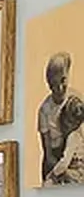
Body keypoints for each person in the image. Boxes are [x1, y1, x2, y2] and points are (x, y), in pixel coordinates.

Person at [38, 52, 80, 183]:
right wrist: (53, 166)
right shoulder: (44, 109)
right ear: (49, 84)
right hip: (54, 153)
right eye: (54, 84)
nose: (60, 88)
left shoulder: (76, 99)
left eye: (63, 80)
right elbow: (46, 147)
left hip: (73, 152)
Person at [49, 94, 84, 185]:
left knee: (61, 175)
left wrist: (52, 175)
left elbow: (64, 163)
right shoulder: (80, 133)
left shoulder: (74, 136)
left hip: (78, 174)